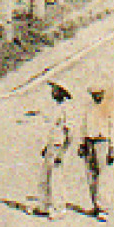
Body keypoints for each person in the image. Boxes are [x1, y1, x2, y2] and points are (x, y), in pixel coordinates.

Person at [77, 82, 114, 218]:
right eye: (94, 94)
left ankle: (103, 207)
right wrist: (82, 143)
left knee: (104, 174)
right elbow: (84, 126)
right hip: (90, 141)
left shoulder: (110, 108)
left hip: (103, 142)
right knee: (91, 173)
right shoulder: (88, 108)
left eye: (99, 93)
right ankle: (95, 205)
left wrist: (112, 147)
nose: (96, 96)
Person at [37, 81, 72, 218]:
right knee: (45, 177)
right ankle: (45, 206)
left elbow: (70, 133)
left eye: (55, 90)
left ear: (61, 92)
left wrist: (62, 152)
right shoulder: (56, 108)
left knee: (56, 178)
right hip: (52, 145)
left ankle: (59, 208)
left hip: (59, 147)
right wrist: (46, 146)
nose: (52, 92)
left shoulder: (66, 109)